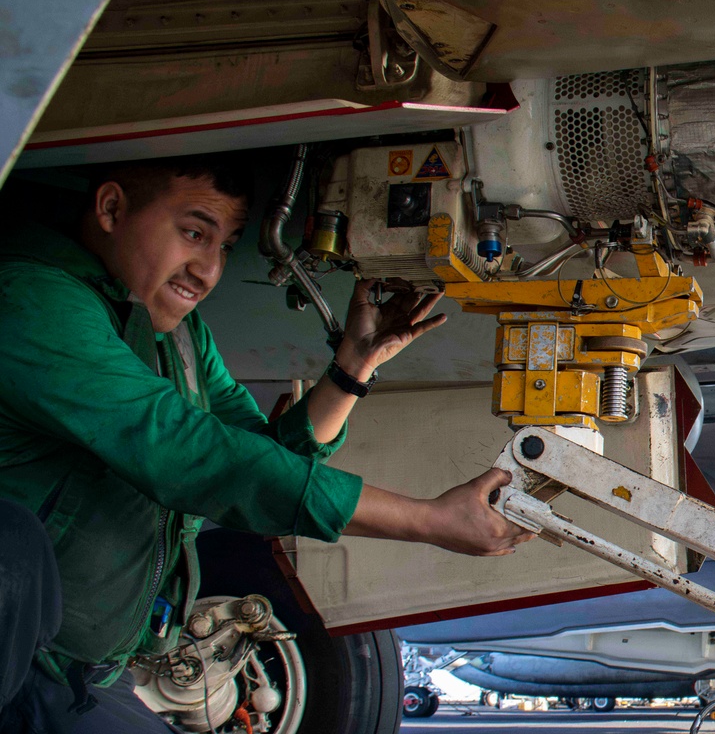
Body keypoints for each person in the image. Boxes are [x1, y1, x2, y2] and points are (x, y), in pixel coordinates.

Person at [0, 155, 532, 733]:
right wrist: (426, 520)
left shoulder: (176, 333)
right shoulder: (30, 301)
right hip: (26, 669)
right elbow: (194, 456)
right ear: (111, 209)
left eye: (225, 245)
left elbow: (259, 459)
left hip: (80, 673)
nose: (208, 270)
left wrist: (352, 369)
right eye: (194, 233)